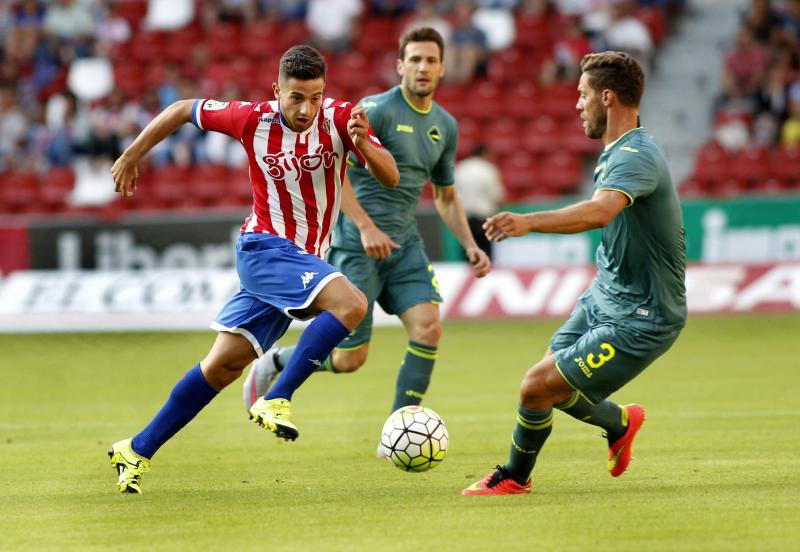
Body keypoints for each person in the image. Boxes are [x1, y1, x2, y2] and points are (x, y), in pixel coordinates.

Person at [107, 45, 399, 494]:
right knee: (352, 303)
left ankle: (137, 448)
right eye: (296, 97)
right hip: (263, 247)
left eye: (315, 97)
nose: (306, 109)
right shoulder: (251, 119)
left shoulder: (343, 119)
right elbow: (184, 109)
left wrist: (362, 145)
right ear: (276, 90)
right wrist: (132, 154)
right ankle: (277, 396)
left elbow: (391, 176)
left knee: (221, 367)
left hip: (300, 261)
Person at [243, 27, 492, 457]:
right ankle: (277, 362)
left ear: (442, 68)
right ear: (400, 65)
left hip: (404, 245)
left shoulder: (444, 126)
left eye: (430, 60)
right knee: (350, 359)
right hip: (357, 244)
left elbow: (446, 196)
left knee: (429, 327)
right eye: (414, 59)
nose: (422, 67)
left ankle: (396, 434)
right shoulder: (373, 110)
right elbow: (332, 173)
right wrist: (363, 225)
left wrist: (469, 244)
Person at [462, 51, 686, 496]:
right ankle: (619, 422)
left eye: (582, 95)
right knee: (547, 384)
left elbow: (601, 212)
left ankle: (514, 477)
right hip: (606, 293)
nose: (576, 104)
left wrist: (528, 222)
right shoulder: (616, 152)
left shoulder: (635, 156)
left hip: (644, 314)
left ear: (606, 97)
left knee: (535, 387)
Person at [454, 144, 505, 260]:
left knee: (469, 254)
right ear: (485, 154)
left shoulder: (461, 168)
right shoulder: (488, 169)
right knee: (486, 256)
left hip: (464, 219)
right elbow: (497, 196)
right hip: (484, 219)